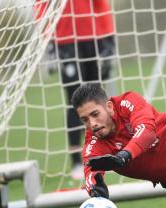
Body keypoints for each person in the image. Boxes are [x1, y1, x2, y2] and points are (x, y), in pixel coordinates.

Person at [41, 0, 115, 180]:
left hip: (94, 38)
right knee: (75, 101)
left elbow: (101, 4)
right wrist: (48, 41)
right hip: (65, 41)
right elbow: (42, 6)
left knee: (97, 100)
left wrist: (109, 37)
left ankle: (104, 153)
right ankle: (76, 161)